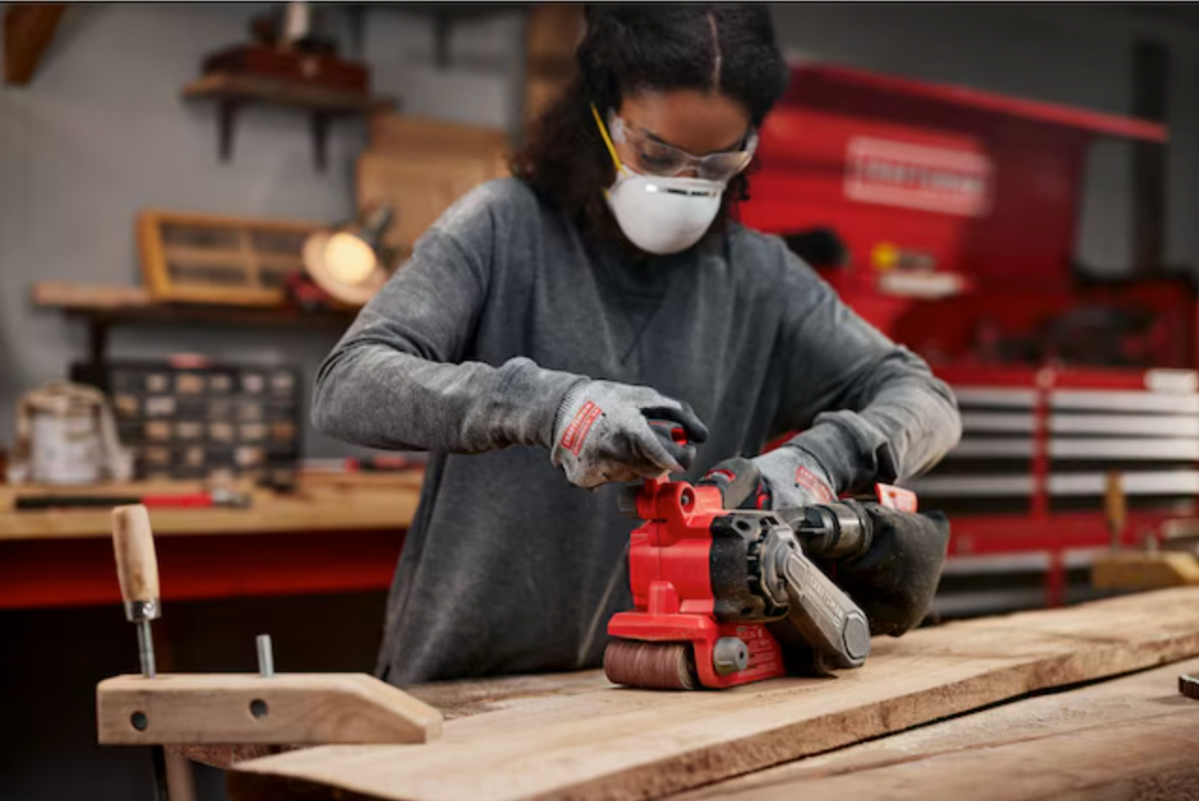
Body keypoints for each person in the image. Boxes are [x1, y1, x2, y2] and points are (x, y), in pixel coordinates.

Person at [312, 4, 962, 688]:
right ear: (602, 114)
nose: (685, 181)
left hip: (660, 697)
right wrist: (547, 405)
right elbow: (347, 382)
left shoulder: (760, 279)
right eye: (656, 153)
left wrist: (820, 459)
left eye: (716, 163)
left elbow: (926, 398)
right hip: (463, 692)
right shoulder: (502, 228)